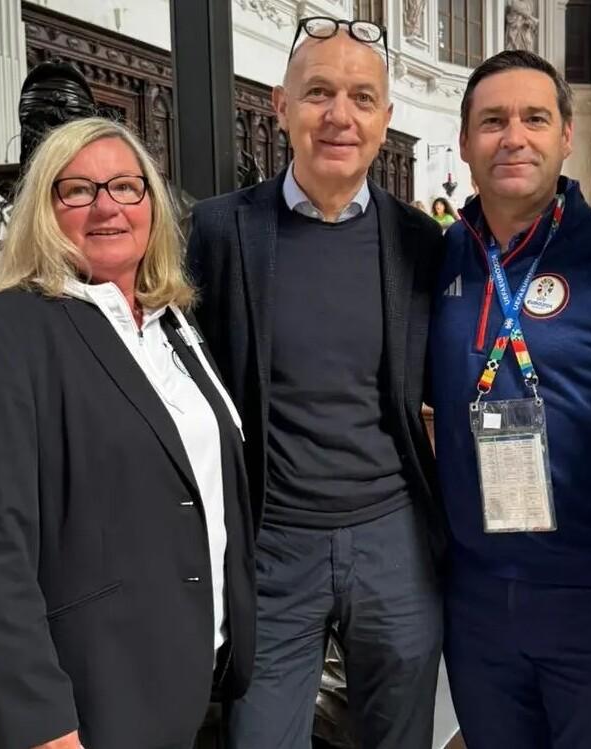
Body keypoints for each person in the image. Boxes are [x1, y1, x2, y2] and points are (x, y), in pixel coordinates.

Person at [0, 117, 259, 749]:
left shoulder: (173, 323)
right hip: (91, 690)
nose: (107, 206)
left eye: (125, 186)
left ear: (152, 204)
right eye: (79, 190)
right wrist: (42, 720)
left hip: (190, 670)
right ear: (45, 209)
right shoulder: (6, 331)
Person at [185, 17, 446, 749]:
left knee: (400, 737)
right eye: (318, 93)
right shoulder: (220, 231)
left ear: (385, 119)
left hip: (393, 537)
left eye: (362, 98)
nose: (340, 115)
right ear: (281, 106)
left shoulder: (419, 242)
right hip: (274, 538)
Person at [428, 50, 591, 748]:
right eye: (492, 121)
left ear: (567, 134)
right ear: (465, 142)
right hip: (476, 600)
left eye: (534, 118)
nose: (514, 137)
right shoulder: (437, 258)